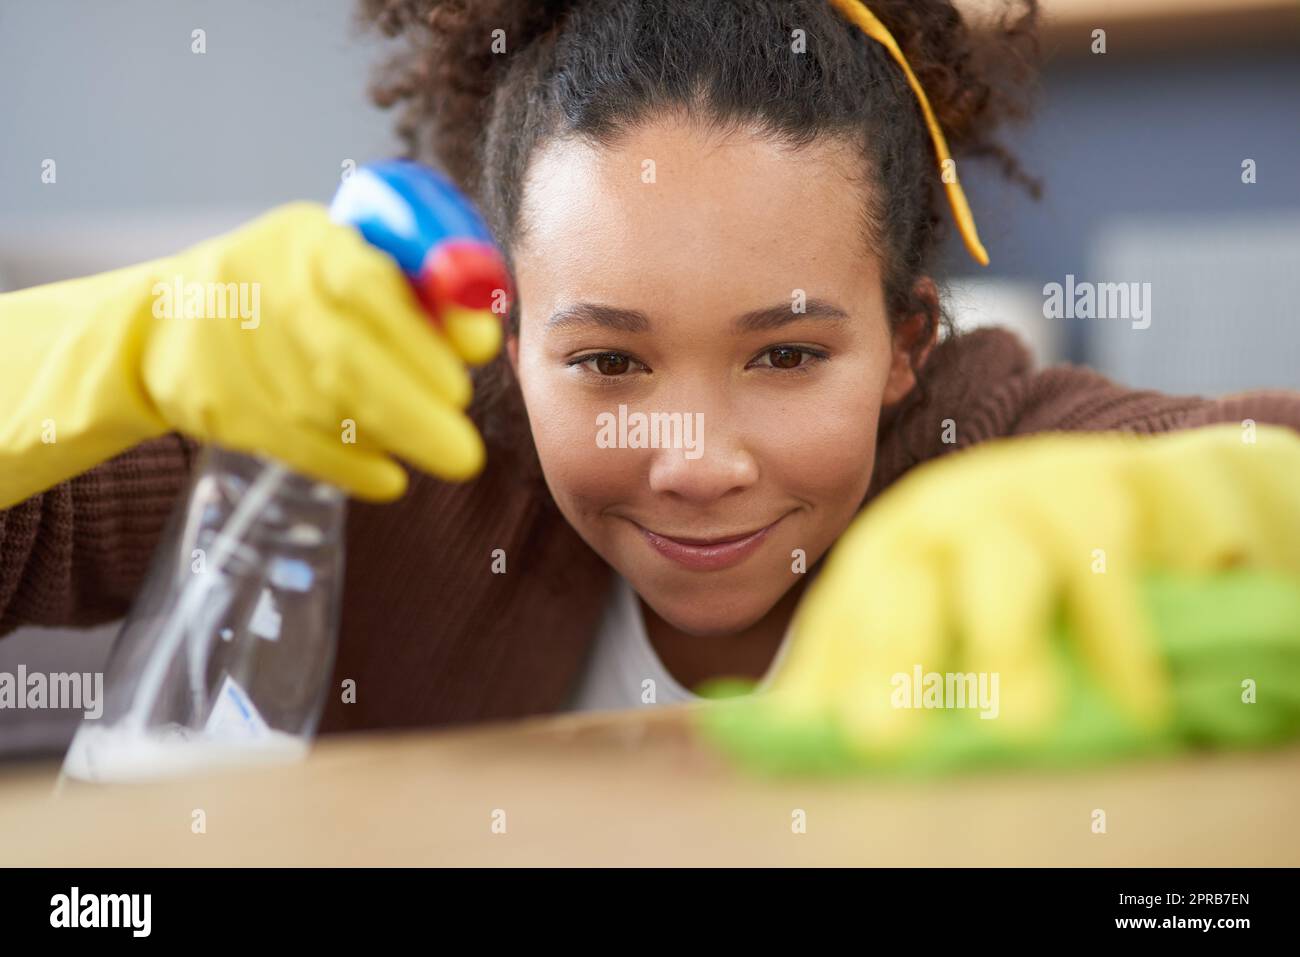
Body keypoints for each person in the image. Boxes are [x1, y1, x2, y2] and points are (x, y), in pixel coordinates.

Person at [2, 0, 1297, 744]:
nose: (697, 460)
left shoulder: (995, 447)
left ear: (908, 346)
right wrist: (113, 345)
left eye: (787, 354)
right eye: (609, 359)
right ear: (511, 341)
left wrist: (1223, 499)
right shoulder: (370, 435)